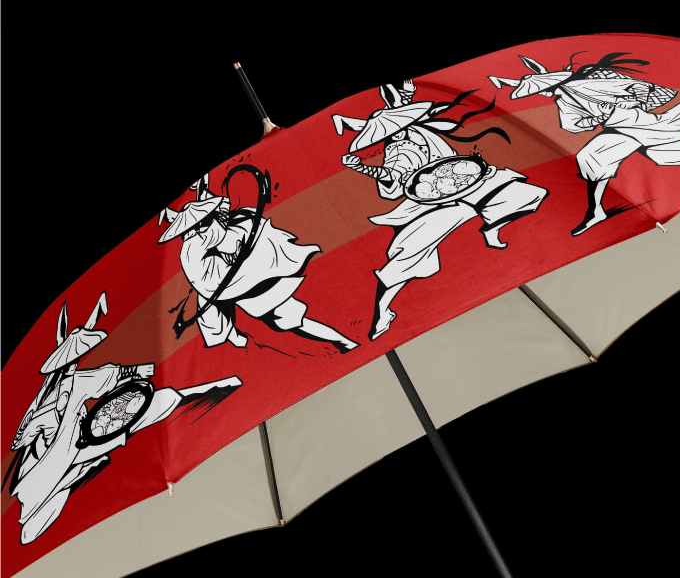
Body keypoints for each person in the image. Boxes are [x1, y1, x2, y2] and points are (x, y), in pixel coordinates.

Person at [7, 292, 242, 544]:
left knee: (158, 404)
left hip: (85, 439)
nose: (76, 362)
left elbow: (108, 377)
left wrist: (136, 371)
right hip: (63, 458)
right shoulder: (58, 396)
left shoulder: (74, 384)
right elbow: (25, 437)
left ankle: (219, 386)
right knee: (32, 525)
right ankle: (217, 386)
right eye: (75, 358)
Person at [333, 80, 547, 340]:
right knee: (405, 258)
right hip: (433, 203)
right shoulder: (398, 148)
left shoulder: (417, 128)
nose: (404, 123)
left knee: (527, 194)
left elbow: (413, 114)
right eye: (398, 126)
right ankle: (383, 312)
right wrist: (362, 168)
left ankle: (492, 227)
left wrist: (408, 94)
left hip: (467, 181)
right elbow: (392, 175)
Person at [488, 52, 680, 236]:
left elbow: (638, 91)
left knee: (593, 156)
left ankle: (595, 211)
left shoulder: (582, 86)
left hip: (634, 122)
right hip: (621, 126)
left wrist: (615, 106)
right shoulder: (565, 97)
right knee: (664, 153)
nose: (540, 94)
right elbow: (577, 125)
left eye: (540, 89)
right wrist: (596, 116)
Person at [158, 173, 358, 353]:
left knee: (294, 322)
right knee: (292, 322)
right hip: (248, 290)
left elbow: (216, 221)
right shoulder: (210, 237)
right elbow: (216, 215)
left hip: (262, 289)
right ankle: (236, 339)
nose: (193, 233)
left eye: (195, 228)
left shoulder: (224, 230)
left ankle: (343, 341)